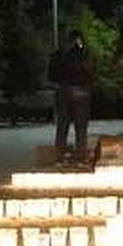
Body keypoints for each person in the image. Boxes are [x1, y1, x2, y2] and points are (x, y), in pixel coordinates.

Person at [52, 29, 94, 163]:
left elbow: (51, 73)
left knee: (62, 125)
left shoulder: (59, 53)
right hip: (80, 92)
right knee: (81, 127)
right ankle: (81, 156)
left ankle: (59, 157)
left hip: (62, 90)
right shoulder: (83, 53)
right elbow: (89, 71)